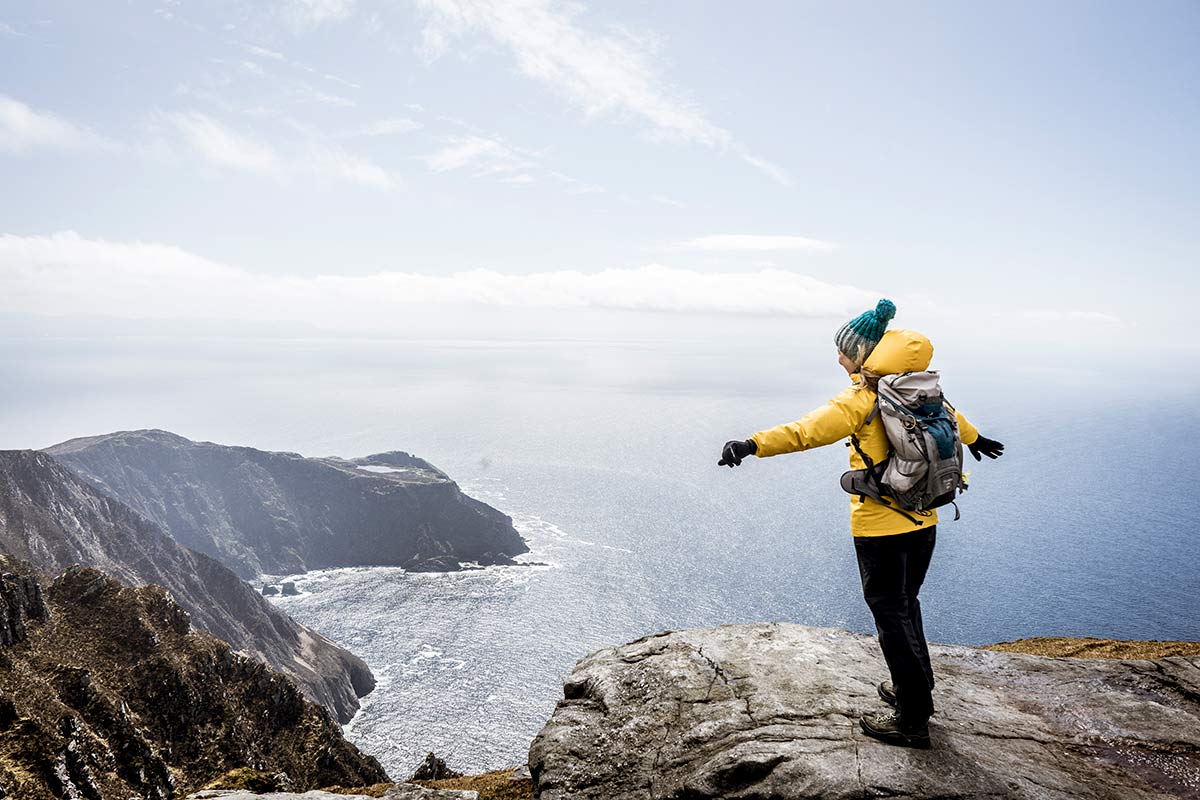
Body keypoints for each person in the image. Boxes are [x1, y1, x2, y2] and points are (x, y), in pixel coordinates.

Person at [718, 298, 1004, 748]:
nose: (838, 357)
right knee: (907, 603)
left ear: (862, 355)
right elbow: (956, 421)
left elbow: (805, 430)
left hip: (880, 526)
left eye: (844, 350)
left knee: (890, 614)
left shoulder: (861, 399)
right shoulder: (922, 390)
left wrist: (751, 444)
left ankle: (912, 719)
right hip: (925, 517)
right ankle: (916, 688)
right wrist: (978, 438)